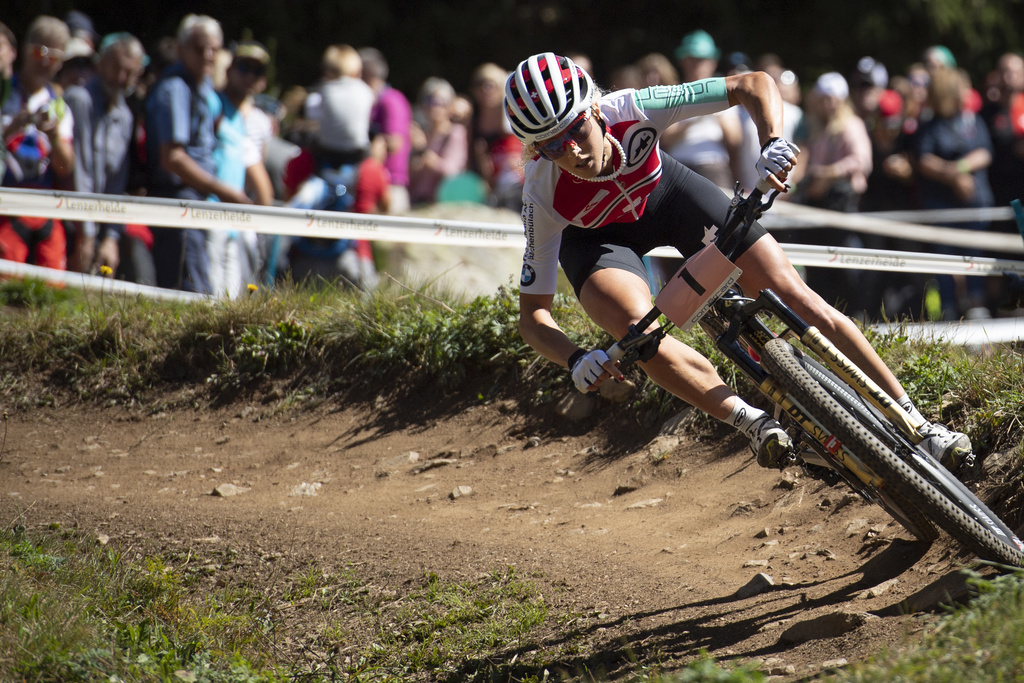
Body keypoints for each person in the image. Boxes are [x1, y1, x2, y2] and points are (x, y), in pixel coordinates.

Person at [503, 52, 971, 472]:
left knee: (791, 293)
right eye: (550, 146)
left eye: (575, 131)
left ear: (596, 111)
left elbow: (753, 83)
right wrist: (575, 357)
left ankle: (919, 423)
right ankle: (750, 422)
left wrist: (772, 142)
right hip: (599, 241)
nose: (573, 151)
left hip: (668, 197)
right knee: (636, 333)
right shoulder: (541, 195)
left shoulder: (636, 107)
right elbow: (534, 318)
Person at [145, 14, 251, 294]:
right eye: (199, 48)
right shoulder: (174, 89)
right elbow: (173, 158)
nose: (207, 55)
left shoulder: (203, 88)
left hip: (201, 204)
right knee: (188, 293)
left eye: (214, 49)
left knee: (205, 291)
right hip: (179, 203)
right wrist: (224, 191)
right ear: (181, 50)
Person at [64, 32, 151, 280]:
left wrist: (111, 236)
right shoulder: (79, 99)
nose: (121, 78)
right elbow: (79, 171)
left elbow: (116, 181)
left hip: (99, 222)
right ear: (100, 63)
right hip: (71, 218)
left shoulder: (124, 115)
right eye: (116, 68)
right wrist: (87, 233)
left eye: (130, 72)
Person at [789, 72, 875, 319]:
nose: (826, 104)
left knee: (847, 265)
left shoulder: (851, 125)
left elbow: (861, 161)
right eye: (822, 98)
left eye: (831, 98)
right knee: (818, 270)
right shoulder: (815, 127)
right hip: (819, 206)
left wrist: (827, 174)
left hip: (843, 206)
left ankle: (858, 316)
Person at [913, 67, 995, 319]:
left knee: (976, 258)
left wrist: (959, 167)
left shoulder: (972, 120)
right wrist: (954, 176)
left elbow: (985, 152)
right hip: (942, 209)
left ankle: (977, 309)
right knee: (944, 261)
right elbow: (924, 160)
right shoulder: (929, 126)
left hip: (975, 205)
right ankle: (948, 314)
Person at [0, 15, 75, 271]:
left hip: (43, 208)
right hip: (5, 204)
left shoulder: (60, 105)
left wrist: (54, 136)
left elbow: (66, 167)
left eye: (54, 56)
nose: (44, 61)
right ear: (24, 50)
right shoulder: (4, 92)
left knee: (53, 284)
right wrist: (11, 128)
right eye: (38, 51)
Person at [208, 40, 275, 297]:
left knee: (233, 302)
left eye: (257, 71)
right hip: (209, 215)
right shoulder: (213, 104)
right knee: (211, 298)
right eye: (243, 67)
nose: (249, 76)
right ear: (228, 69)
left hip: (237, 221)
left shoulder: (244, 117)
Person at [662, 30, 741, 190]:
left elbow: (735, 140)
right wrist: (698, 114)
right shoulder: (673, 93)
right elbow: (667, 139)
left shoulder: (725, 94)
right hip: (678, 166)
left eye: (702, 60)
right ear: (683, 61)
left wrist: (713, 108)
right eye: (692, 59)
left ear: (713, 63)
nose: (697, 64)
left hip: (713, 167)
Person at [359, 47, 412, 214]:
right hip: (375, 184)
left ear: (369, 74)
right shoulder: (373, 101)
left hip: (390, 187)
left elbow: (395, 143)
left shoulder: (391, 101)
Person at [468, 62, 523, 211]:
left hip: (515, 188)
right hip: (482, 187)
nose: (484, 90)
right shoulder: (471, 122)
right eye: (479, 85)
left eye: (489, 85)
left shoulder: (515, 121)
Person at [408, 76, 468, 205]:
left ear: (450, 106)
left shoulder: (455, 133)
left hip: (441, 206)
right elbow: (409, 176)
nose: (433, 106)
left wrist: (423, 150)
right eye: (429, 99)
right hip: (416, 203)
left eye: (440, 102)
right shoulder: (420, 133)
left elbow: (451, 173)